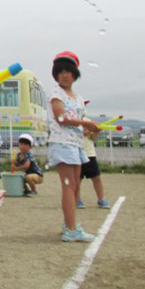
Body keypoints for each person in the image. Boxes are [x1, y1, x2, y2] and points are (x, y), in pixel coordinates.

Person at [48, 51, 102, 243]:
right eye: (60, 71)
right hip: (62, 144)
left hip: (76, 144)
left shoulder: (78, 98)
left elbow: (81, 126)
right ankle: (71, 230)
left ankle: (69, 224)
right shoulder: (56, 93)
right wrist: (86, 124)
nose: (64, 74)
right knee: (69, 186)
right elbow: (61, 119)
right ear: (56, 74)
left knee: (75, 186)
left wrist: (92, 129)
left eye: (68, 71)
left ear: (75, 73)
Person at [76, 117, 110, 209]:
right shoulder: (73, 119)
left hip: (90, 154)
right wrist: (83, 133)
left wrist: (97, 131)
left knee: (96, 178)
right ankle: (77, 200)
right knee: (77, 179)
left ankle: (101, 199)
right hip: (76, 153)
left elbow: (92, 138)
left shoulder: (89, 121)